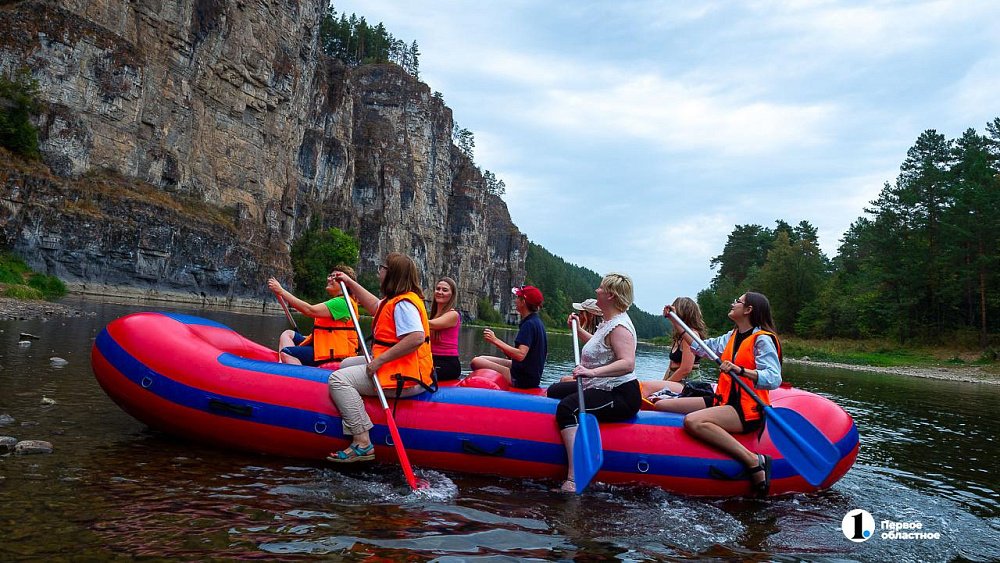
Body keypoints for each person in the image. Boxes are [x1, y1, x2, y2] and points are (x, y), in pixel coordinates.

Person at [656, 291, 782, 497]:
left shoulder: (762, 340)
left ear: (749, 310)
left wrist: (741, 370)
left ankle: (753, 460)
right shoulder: (731, 336)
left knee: (693, 422)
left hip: (745, 411)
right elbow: (699, 347)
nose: (733, 303)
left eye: (738, 301)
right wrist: (675, 320)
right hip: (723, 401)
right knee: (662, 404)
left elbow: (773, 378)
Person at [325, 253, 436, 463]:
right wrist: (349, 283)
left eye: (382, 268)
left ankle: (362, 442)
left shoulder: (404, 305)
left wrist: (379, 362)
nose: (379, 272)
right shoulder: (396, 300)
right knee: (346, 364)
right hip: (403, 366)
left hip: (407, 376)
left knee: (338, 380)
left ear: (390, 274)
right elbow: (376, 307)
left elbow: (416, 337)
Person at [547, 273, 642, 492]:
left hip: (619, 394)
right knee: (555, 390)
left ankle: (573, 477)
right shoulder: (608, 322)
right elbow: (599, 346)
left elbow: (627, 363)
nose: (596, 291)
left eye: (600, 288)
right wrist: (579, 330)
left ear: (610, 295)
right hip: (601, 384)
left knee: (566, 408)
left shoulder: (620, 327)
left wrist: (592, 372)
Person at [266, 266, 359, 366]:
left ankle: (295, 371)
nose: (329, 279)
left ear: (345, 283)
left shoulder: (342, 303)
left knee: (286, 352)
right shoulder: (340, 301)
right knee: (288, 334)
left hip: (335, 353)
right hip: (325, 344)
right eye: (330, 276)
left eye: (334, 277)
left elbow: (310, 310)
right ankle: (286, 364)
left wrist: (282, 291)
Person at [469, 285, 548, 389]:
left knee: (476, 362)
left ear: (523, 302)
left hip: (522, 379)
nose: (515, 301)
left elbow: (520, 355)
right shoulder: (536, 322)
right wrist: (504, 349)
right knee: (482, 358)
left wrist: (495, 340)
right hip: (528, 374)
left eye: (517, 298)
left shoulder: (529, 324)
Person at [642, 297, 707, 398]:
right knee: (646, 387)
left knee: (647, 386)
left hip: (688, 383)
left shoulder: (690, 336)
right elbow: (670, 366)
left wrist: (663, 387)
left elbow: (686, 369)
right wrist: (663, 383)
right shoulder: (679, 336)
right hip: (676, 381)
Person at [429, 276, 462, 381]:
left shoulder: (453, 315)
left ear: (451, 295)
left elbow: (431, 324)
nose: (440, 292)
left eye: (445, 290)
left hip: (447, 364)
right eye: (438, 289)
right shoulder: (433, 315)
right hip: (431, 359)